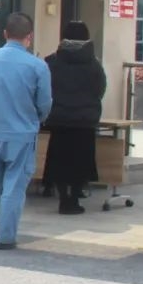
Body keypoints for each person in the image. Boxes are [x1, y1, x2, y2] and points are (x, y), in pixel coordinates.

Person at [0, 12, 52, 249]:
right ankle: (5, 237)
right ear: (30, 36)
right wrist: (35, 119)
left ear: (5, 34)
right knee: (13, 187)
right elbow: (44, 103)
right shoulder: (38, 66)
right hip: (23, 134)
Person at [43, 20, 107, 215]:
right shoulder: (94, 64)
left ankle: (63, 198)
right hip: (84, 121)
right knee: (81, 159)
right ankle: (75, 197)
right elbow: (100, 89)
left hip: (59, 119)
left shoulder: (51, 61)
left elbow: (43, 88)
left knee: (59, 158)